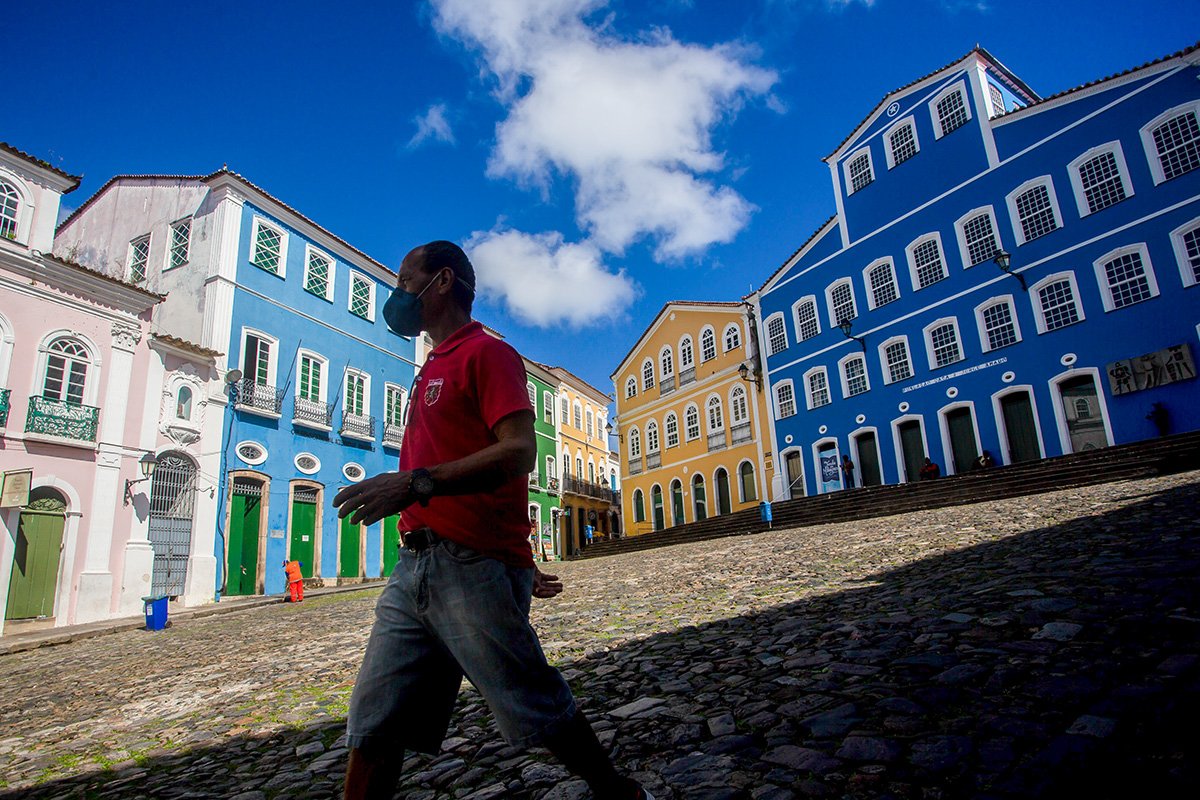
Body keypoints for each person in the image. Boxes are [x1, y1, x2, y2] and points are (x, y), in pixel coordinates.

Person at [333, 241, 653, 800]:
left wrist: (415, 483)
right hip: (413, 568)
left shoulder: (488, 355)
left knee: (532, 704)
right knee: (375, 722)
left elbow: (519, 453)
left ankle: (616, 792)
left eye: (407, 282)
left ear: (442, 282)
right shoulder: (431, 366)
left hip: (470, 565)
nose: (397, 295)